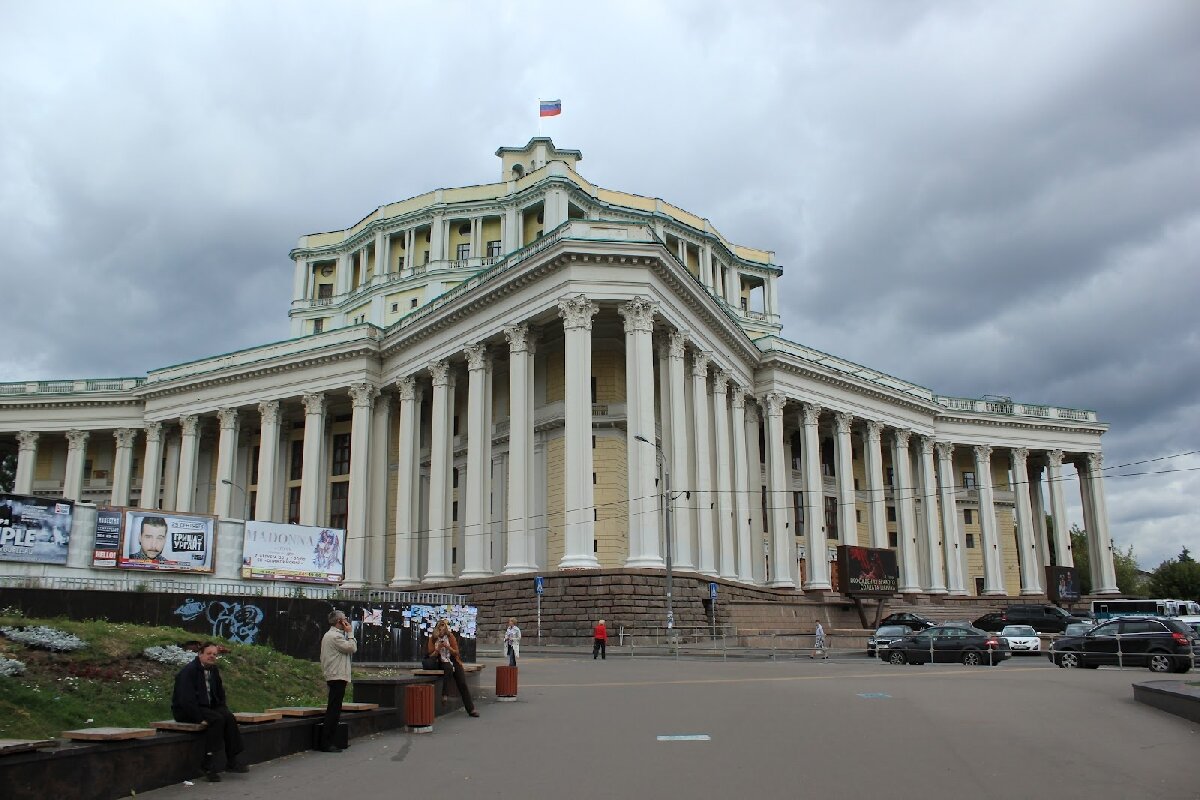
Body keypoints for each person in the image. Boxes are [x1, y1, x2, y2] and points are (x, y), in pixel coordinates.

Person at [171, 642, 247, 782]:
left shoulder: (213, 670)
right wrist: (199, 718)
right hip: (187, 711)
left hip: (207, 707)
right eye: (208, 654)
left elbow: (220, 693)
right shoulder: (189, 671)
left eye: (214, 654)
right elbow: (185, 700)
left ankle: (232, 760)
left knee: (228, 717)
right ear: (200, 654)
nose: (212, 657)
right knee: (217, 720)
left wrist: (222, 708)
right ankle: (208, 763)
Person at [318, 610, 357, 753]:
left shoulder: (331, 635)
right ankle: (326, 743)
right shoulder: (335, 636)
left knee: (335, 708)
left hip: (335, 675)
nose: (347, 621)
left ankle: (331, 740)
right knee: (333, 710)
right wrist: (350, 633)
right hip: (337, 676)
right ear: (339, 622)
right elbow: (352, 648)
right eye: (345, 619)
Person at [427, 619, 479, 717]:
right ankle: (444, 694)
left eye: (443, 628)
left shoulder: (450, 636)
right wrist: (437, 649)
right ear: (437, 629)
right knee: (448, 669)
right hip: (440, 660)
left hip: (453, 659)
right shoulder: (433, 638)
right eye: (440, 628)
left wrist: (448, 647)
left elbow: (456, 652)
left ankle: (471, 709)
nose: (441, 631)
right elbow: (430, 654)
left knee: (462, 682)